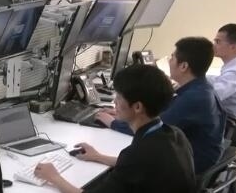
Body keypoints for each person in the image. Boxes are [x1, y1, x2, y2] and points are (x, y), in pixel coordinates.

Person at [35, 64, 196, 193]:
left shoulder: (140, 153)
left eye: (118, 98)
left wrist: (54, 177)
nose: (114, 102)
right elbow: (143, 166)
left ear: (137, 107)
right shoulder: (173, 134)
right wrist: (99, 157)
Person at [95, 37, 224, 174]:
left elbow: (152, 128)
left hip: (190, 166)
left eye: (172, 57)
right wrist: (126, 113)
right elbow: (162, 114)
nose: (169, 61)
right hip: (202, 158)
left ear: (184, 66)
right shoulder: (203, 88)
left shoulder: (193, 98)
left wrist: (113, 123)